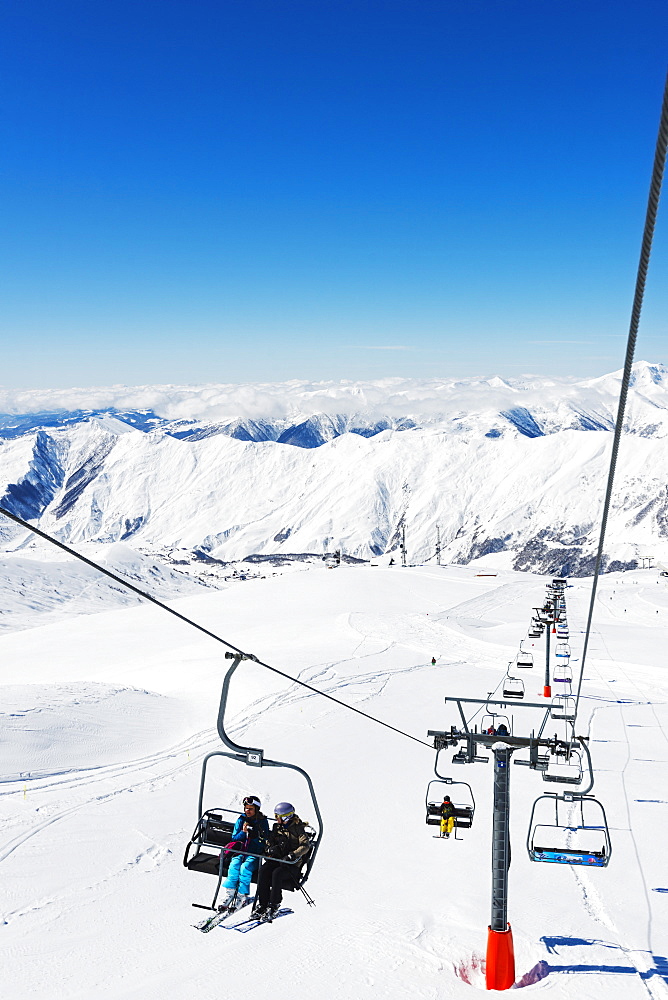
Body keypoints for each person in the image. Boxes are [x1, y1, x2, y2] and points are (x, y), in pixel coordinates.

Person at [254, 802, 311, 919]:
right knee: (264, 871)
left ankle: (274, 905)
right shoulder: (277, 827)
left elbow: (305, 846)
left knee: (277, 874)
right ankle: (262, 904)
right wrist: (270, 848)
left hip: (291, 865)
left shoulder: (298, 830)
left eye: (277, 816)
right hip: (277, 860)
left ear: (286, 816)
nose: (276, 819)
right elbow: (270, 840)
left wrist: (293, 855)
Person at [221, 795, 270, 910]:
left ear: (256, 810)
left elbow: (265, 840)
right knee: (234, 866)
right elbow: (234, 838)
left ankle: (241, 896)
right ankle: (230, 894)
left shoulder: (262, 822)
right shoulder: (241, 819)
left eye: (251, 809)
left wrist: (255, 836)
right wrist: (243, 832)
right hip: (240, 852)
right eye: (246, 808)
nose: (248, 811)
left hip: (254, 854)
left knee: (245, 868)